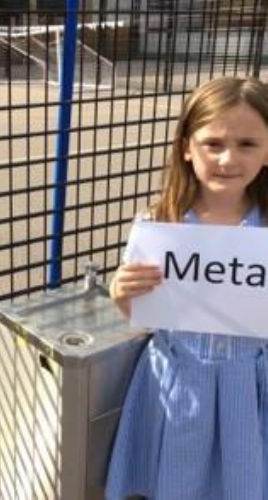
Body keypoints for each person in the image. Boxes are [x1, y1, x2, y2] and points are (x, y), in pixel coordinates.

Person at [105, 76, 268, 500]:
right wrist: (122, 295)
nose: (228, 158)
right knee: (175, 484)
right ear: (186, 147)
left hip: (248, 390)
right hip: (177, 386)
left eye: (247, 144)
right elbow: (143, 315)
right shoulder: (159, 225)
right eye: (213, 143)